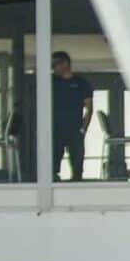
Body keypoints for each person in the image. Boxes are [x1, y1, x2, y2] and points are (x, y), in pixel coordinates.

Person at [51, 50, 94, 182]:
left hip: (75, 130)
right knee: (51, 168)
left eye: (55, 64)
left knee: (77, 168)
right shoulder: (51, 82)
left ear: (65, 64)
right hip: (55, 129)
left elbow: (89, 108)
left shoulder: (81, 83)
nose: (53, 68)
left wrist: (83, 129)